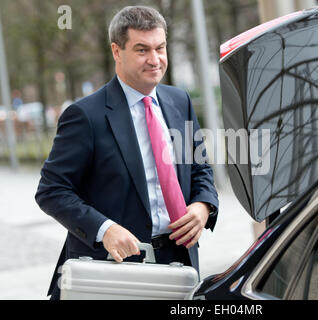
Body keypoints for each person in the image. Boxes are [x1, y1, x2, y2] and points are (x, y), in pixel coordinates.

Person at [35, 6, 219, 300]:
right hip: (111, 271)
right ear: (116, 51)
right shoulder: (84, 116)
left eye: (160, 48)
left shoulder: (179, 101)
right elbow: (51, 191)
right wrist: (104, 229)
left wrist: (203, 206)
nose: (155, 59)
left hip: (178, 263)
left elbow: (200, 169)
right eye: (142, 49)